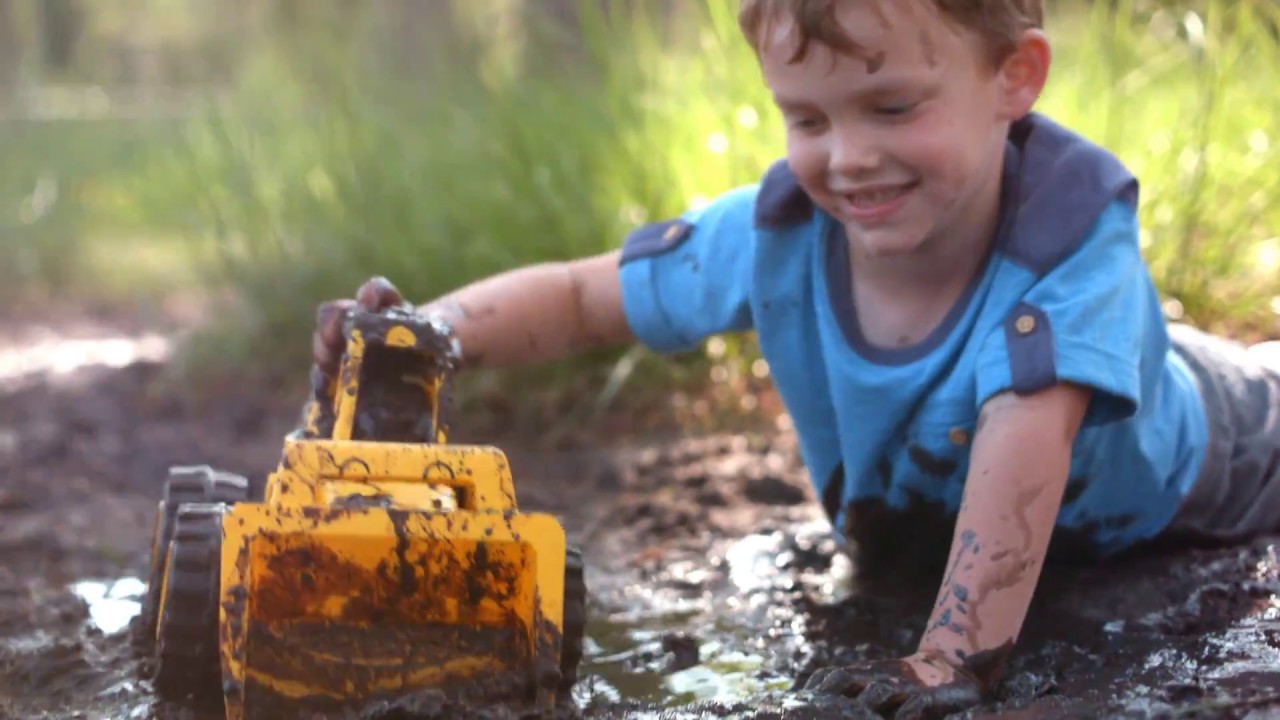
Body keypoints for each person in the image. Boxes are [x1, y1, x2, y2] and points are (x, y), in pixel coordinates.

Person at [312, 1, 1280, 717]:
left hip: (1216, 459)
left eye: (891, 107)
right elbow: (579, 296)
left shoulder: (1066, 244)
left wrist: (948, 660)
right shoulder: (778, 231)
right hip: (933, 515)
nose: (847, 156)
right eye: (808, 120)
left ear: (1013, 78)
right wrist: (430, 332)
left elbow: (1026, 442)